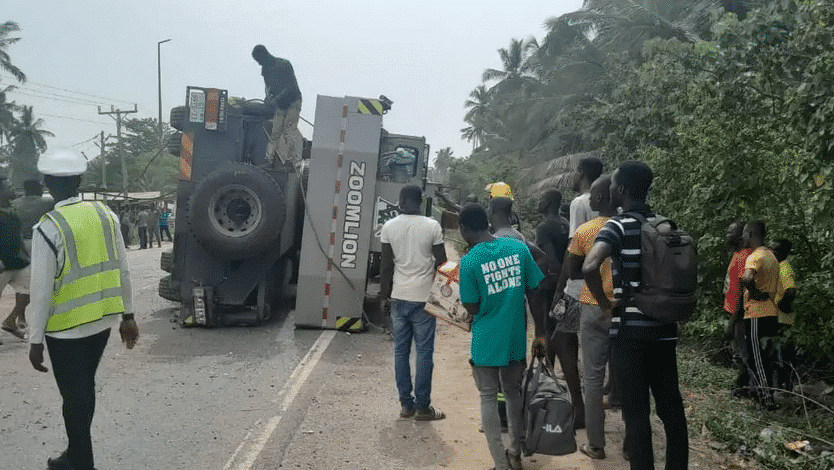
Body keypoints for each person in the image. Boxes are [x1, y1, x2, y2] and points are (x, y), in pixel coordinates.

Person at [27, 149, 138, 470]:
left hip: (66, 331)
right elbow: (124, 269)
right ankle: (74, 455)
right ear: (79, 181)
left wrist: (35, 342)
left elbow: (41, 291)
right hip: (101, 322)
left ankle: (81, 462)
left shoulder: (47, 228)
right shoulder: (106, 215)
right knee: (82, 391)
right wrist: (128, 316)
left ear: (48, 183)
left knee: (74, 398)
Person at [583, 160, 688, 469]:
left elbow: (589, 266)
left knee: (637, 413)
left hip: (630, 334)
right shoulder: (666, 224)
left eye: (613, 185)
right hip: (665, 331)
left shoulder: (617, 225)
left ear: (624, 190)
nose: (611, 189)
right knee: (671, 410)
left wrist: (604, 303)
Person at [458, 203, 548, 470]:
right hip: (514, 337)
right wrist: (541, 333)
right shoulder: (518, 249)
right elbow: (536, 291)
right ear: (487, 222)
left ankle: (500, 463)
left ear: (463, 229)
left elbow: (472, 306)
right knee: (512, 392)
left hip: (486, 339)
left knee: (488, 395)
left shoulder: (469, 261)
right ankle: (516, 453)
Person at [560, 176, 620, 460]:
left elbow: (574, 271)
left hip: (594, 306)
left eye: (595, 195)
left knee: (594, 379)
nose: (592, 199)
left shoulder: (586, 230)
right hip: (625, 308)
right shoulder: (632, 228)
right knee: (628, 374)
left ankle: (596, 445)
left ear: (602, 198)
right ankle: (633, 445)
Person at [379, 185, 447, 421]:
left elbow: (386, 267)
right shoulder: (432, 226)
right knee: (424, 353)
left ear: (401, 200)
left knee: (400, 352)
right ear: (420, 201)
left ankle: (406, 405)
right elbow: (443, 264)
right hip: (424, 300)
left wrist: (383, 295)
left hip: (399, 297)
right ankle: (423, 408)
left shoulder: (389, 227)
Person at [728, 221, 780, 409]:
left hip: (756, 314)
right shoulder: (771, 256)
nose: (743, 238)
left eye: (744, 234)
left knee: (756, 359)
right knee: (764, 358)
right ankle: (763, 396)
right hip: (771, 313)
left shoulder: (755, 257)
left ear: (750, 234)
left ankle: (767, 401)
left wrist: (755, 292)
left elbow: (747, 278)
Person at [252, 44, 303, 166]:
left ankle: (295, 161)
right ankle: (268, 159)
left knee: (289, 129)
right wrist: (268, 99)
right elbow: (269, 88)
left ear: (264, 55)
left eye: (259, 60)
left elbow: (291, 87)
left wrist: (276, 99)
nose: (259, 64)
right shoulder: (265, 70)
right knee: (275, 132)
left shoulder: (284, 65)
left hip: (293, 101)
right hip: (281, 105)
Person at [723, 221, 752, 396]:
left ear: (741, 235)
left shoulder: (746, 256)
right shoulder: (737, 254)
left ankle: (744, 388)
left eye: (731, 232)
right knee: (739, 350)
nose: (727, 235)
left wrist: (733, 319)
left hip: (741, 312)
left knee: (744, 352)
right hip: (734, 310)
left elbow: (743, 292)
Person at [0, 178, 31, 341]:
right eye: (9, 186)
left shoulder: (12, 210)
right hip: (2, 263)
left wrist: (26, 255)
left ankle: (10, 321)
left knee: (29, 290)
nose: (13, 188)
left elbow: (18, 234)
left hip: (18, 261)